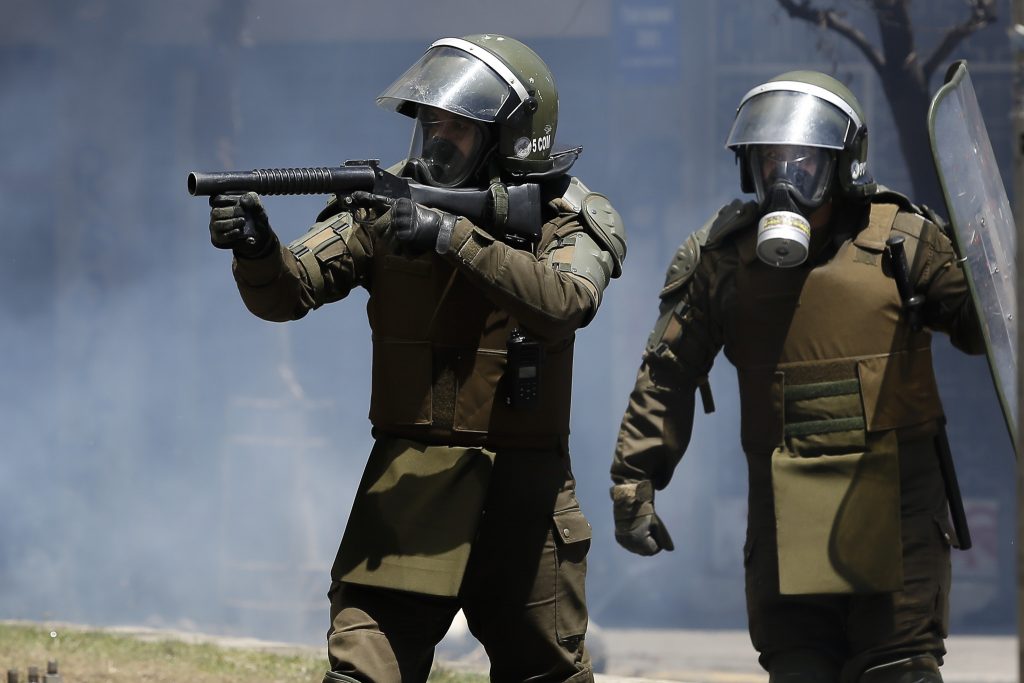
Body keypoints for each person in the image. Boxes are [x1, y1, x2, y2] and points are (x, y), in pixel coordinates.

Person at [208, 34, 625, 683]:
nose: (437, 137)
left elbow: (566, 301)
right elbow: (289, 293)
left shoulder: (566, 214)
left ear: (514, 136)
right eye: (432, 120)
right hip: (407, 493)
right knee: (359, 671)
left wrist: (452, 235)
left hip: (525, 500)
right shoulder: (383, 202)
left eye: (458, 126)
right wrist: (257, 250)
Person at [610, 71, 983, 683]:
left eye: (802, 161)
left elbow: (985, 331)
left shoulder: (906, 242)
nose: (784, 178)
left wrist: (986, 252)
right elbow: (667, 375)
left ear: (842, 165)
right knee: (799, 670)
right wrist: (635, 481)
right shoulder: (723, 259)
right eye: (769, 161)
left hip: (898, 511)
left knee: (899, 671)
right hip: (786, 517)